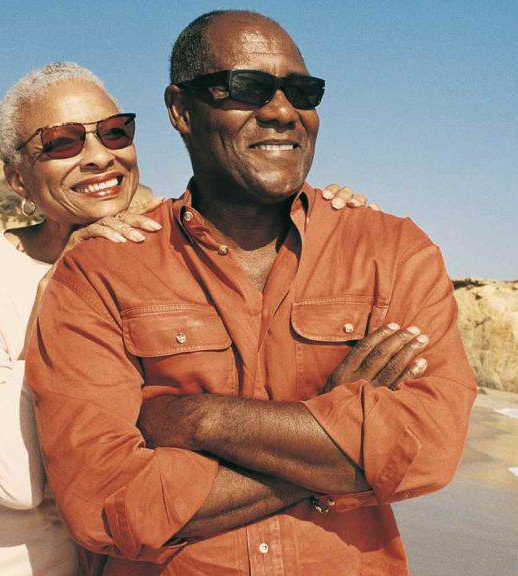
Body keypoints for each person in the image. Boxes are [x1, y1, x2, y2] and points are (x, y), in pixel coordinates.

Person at [26, 9, 477, 576]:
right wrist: (339, 439)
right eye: (249, 88)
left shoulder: (392, 252)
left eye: (303, 92)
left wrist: (196, 420)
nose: (283, 112)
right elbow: (106, 504)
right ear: (180, 109)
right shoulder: (100, 273)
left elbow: (426, 450)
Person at [0, 62, 370, 575]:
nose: (98, 157)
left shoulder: (183, 254)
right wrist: (61, 295)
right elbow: (9, 480)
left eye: (114, 133)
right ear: (17, 176)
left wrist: (323, 219)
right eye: (62, 142)